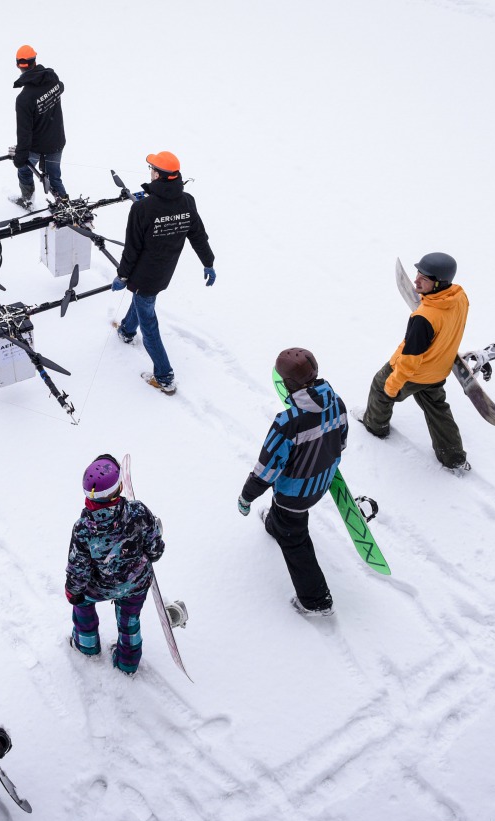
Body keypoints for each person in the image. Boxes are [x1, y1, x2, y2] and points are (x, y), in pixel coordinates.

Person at [237, 348, 348, 616]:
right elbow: (341, 442)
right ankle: (275, 525)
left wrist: (246, 497)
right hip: (322, 482)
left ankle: (316, 601)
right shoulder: (338, 402)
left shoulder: (288, 423)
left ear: (288, 385)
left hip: (294, 496)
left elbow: (267, 471)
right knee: (285, 521)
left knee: (296, 540)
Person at [112, 151, 216, 396]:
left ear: (158, 174)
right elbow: (198, 235)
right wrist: (208, 262)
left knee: (149, 324)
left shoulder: (143, 208)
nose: (150, 171)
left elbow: (132, 249)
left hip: (143, 275)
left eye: (151, 168)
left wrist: (122, 276)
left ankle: (165, 376)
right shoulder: (187, 201)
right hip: (164, 271)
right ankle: (127, 330)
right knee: (143, 300)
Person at [359, 252, 470, 471]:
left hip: (416, 372)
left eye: (424, 279)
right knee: (437, 408)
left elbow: (409, 361)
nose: (416, 281)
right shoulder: (459, 298)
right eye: (417, 274)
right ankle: (453, 456)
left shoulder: (424, 318)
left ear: (439, 284)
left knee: (380, 388)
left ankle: (375, 425)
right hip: (438, 370)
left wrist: (392, 386)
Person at [66, 455, 164, 676]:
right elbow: (155, 549)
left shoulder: (83, 528)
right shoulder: (139, 512)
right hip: (136, 584)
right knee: (130, 619)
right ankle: (128, 662)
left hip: (100, 587)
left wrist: (73, 592)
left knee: (82, 603)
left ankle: (87, 645)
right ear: (119, 488)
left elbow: (78, 568)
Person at [11, 45, 67, 207]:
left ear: (18, 65)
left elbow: (24, 132)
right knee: (54, 178)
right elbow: (61, 86)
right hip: (57, 141)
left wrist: (20, 156)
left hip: (36, 146)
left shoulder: (24, 98)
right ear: (34, 61)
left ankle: (27, 200)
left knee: (24, 171)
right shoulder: (53, 80)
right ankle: (65, 209)